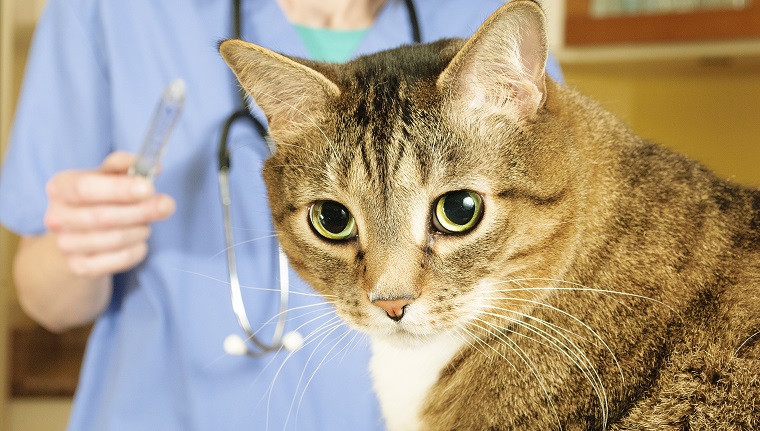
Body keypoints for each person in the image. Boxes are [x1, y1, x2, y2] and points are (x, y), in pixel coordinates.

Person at [0, 0, 564, 429]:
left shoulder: (484, 17)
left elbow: (558, 257)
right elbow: (44, 299)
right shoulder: (109, 12)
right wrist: (86, 243)